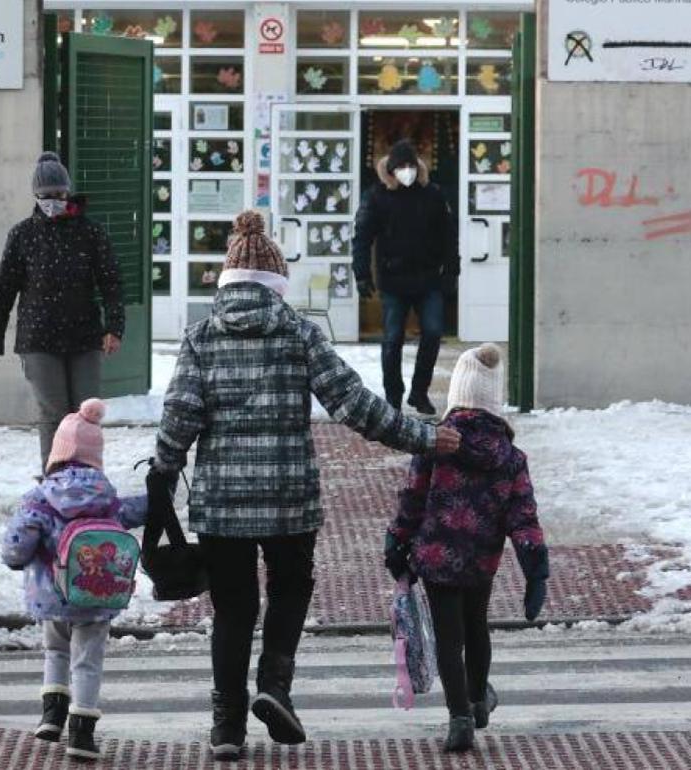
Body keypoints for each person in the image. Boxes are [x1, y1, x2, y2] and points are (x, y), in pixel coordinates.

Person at [151, 210, 463, 761]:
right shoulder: (298, 333)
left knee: (233, 607)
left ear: (226, 281)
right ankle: (275, 684)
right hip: (290, 498)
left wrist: (165, 466)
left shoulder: (200, 336)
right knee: (291, 586)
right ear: (276, 285)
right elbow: (354, 404)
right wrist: (423, 438)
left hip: (221, 505)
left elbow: (180, 413)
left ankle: (226, 726)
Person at [384, 344, 549, 753]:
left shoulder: (435, 445)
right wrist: (536, 570)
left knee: (448, 637)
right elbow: (523, 517)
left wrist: (397, 541)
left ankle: (459, 718)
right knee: (477, 627)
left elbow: (412, 499)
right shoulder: (510, 457)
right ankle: (477, 701)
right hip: (481, 560)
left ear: (457, 393)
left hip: (436, 559)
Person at [1, 398, 147, 762]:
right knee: (87, 662)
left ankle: (52, 715)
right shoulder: (106, 498)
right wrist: (157, 491)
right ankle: (82, 734)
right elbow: (134, 512)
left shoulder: (40, 498)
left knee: (55, 650)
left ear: (58, 452)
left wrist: (16, 559)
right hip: (96, 597)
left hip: (52, 598)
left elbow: (17, 548)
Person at [0, 151, 125, 467]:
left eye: (59, 194)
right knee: (53, 413)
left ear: (68, 192)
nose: (53, 201)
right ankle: (55, 479)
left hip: (84, 336)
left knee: (86, 411)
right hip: (38, 339)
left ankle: (88, 476)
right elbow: (3, 290)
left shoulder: (90, 232)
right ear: (36, 196)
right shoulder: (22, 235)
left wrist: (114, 327)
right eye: (46, 196)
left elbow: (111, 282)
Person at [353, 139, 460, 415]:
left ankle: (419, 392)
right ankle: (393, 396)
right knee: (392, 340)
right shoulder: (377, 197)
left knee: (434, 333)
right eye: (400, 166)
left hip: (428, 279)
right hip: (393, 280)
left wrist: (451, 272)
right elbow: (362, 237)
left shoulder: (433, 195)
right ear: (390, 169)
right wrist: (361, 274)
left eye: (411, 165)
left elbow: (449, 237)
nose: (407, 171)